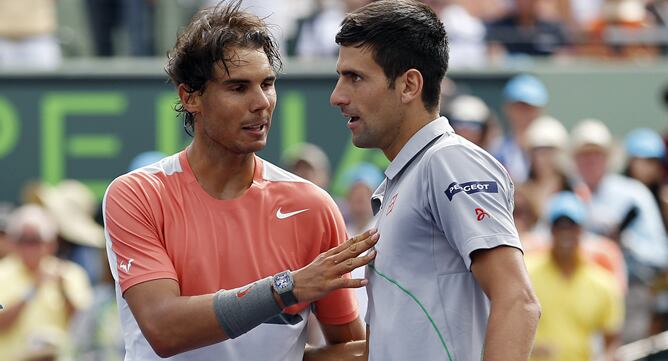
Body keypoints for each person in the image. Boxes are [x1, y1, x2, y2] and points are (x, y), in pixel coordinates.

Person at [102, 2, 377, 360]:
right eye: (238, 87)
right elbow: (164, 329)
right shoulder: (137, 194)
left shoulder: (313, 206)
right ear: (191, 97)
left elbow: (347, 349)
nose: (261, 102)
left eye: (268, 83)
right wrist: (287, 288)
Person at [329, 1, 541, 360]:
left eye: (355, 77)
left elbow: (518, 301)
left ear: (409, 84)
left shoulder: (448, 161)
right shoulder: (408, 177)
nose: (337, 96)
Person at [527, 192, 623, 361]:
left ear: (581, 231)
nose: (565, 233)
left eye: (571, 226)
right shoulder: (526, 273)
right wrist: (528, 348)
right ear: (551, 230)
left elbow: (612, 340)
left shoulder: (602, 283)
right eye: (559, 226)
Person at [0, 205, 92, 361]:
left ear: (51, 244)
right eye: (24, 240)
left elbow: (84, 325)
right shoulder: (2, 273)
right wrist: (33, 289)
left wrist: (63, 290)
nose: (30, 248)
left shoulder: (70, 274)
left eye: (36, 240)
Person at [490, 73, 549, 183]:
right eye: (519, 107)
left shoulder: (553, 148)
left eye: (530, 108)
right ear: (507, 108)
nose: (524, 114)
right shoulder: (495, 147)